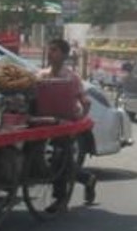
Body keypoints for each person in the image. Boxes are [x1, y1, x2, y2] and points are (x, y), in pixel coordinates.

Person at [39, 37, 97, 206]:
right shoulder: (41, 75)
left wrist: (78, 121)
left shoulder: (72, 78)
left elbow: (86, 102)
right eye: (49, 49)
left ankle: (60, 198)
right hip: (44, 122)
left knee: (59, 157)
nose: (50, 53)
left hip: (65, 125)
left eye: (54, 50)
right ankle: (87, 178)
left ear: (64, 55)